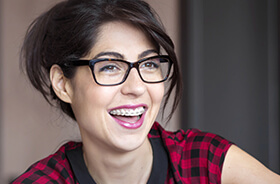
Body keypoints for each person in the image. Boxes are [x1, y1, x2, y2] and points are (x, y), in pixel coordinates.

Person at [12, 0, 280, 183]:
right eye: (110, 67)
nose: (137, 87)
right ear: (63, 84)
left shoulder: (202, 162)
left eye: (149, 64)